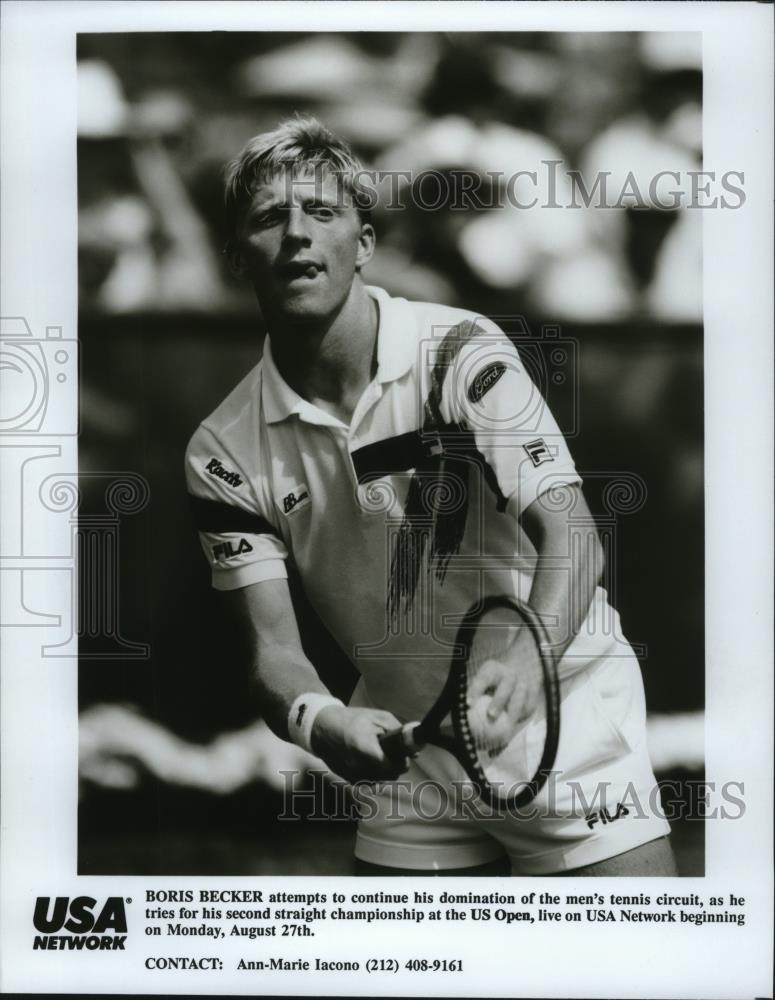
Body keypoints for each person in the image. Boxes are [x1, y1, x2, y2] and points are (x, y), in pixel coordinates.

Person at [185, 115, 676, 876]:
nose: (296, 235)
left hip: (564, 715)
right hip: (411, 756)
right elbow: (273, 654)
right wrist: (321, 720)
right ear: (234, 258)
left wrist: (524, 662)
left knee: (645, 982)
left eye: (321, 212)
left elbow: (572, 532)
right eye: (267, 219)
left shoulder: (459, 353)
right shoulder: (221, 452)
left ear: (365, 244)